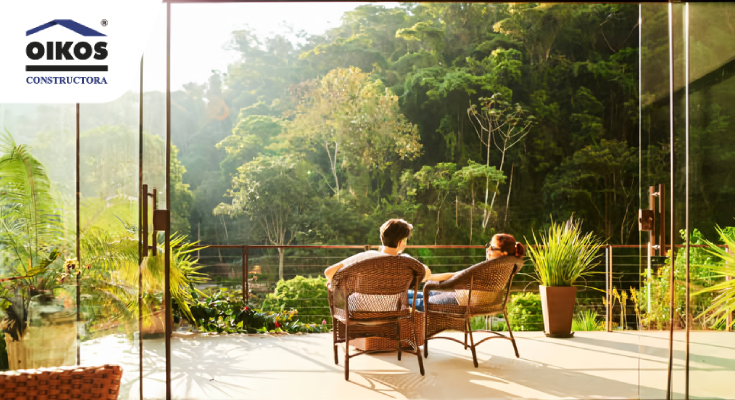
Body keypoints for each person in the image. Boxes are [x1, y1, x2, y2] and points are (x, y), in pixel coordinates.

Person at [408, 233, 525, 311]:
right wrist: (429, 277)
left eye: (492, 248)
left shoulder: (488, 269)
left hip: (466, 301)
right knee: (415, 294)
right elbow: (458, 275)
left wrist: (430, 280)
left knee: (414, 300)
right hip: (465, 297)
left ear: (504, 253)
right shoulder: (501, 267)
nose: (488, 249)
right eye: (489, 245)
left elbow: (457, 277)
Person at [324, 218, 432, 284]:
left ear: (382, 238)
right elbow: (426, 274)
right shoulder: (406, 261)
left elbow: (329, 273)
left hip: (358, 313)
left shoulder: (366, 256)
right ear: (400, 243)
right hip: (392, 313)